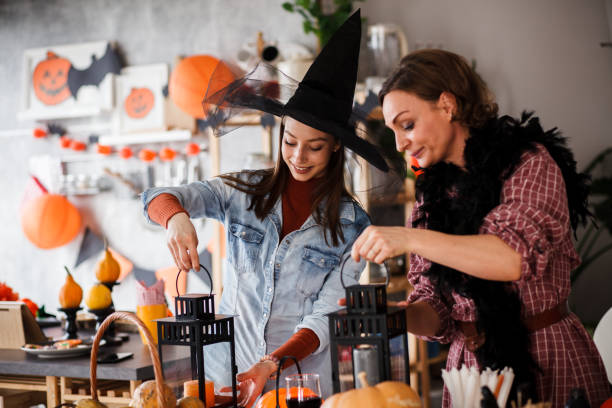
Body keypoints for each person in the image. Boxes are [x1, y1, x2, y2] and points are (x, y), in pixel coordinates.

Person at [142, 10, 391, 407]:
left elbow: (325, 316)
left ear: (336, 147)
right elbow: (158, 195)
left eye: (315, 147)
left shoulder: (352, 225)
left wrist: (270, 364)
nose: (298, 157)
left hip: (297, 381)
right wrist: (175, 218)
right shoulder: (243, 192)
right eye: (290, 141)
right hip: (226, 374)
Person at [351, 49, 610, 407]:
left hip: (547, 357)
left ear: (446, 105)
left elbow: (511, 259)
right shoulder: (432, 194)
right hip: (470, 371)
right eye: (393, 131)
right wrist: (393, 318)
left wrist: (409, 237)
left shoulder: (528, 162)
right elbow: (436, 311)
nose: (399, 145)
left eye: (407, 125)